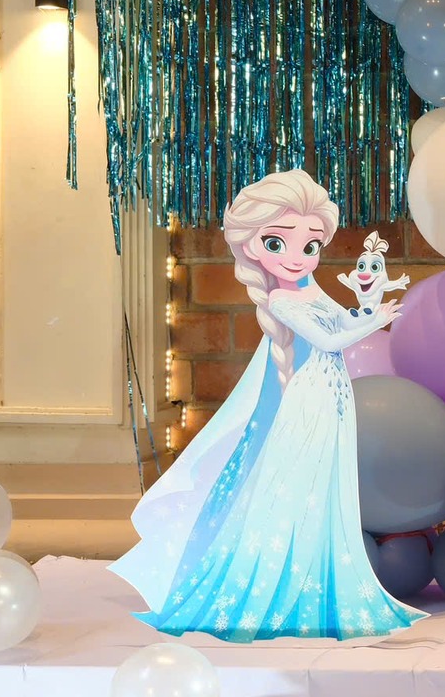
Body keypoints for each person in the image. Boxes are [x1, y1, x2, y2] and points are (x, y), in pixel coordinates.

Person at [113, 170, 424, 641]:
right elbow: (329, 339)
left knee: (326, 489)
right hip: (309, 399)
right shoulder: (281, 299)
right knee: (295, 487)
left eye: (310, 245)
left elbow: (342, 321)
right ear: (253, 246)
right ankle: (275, 587)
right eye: (278, 243)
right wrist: (372, 321)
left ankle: (318, 585)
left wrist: (368, 301)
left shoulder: (309, 288)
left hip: (333, 397)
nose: (297, 256)